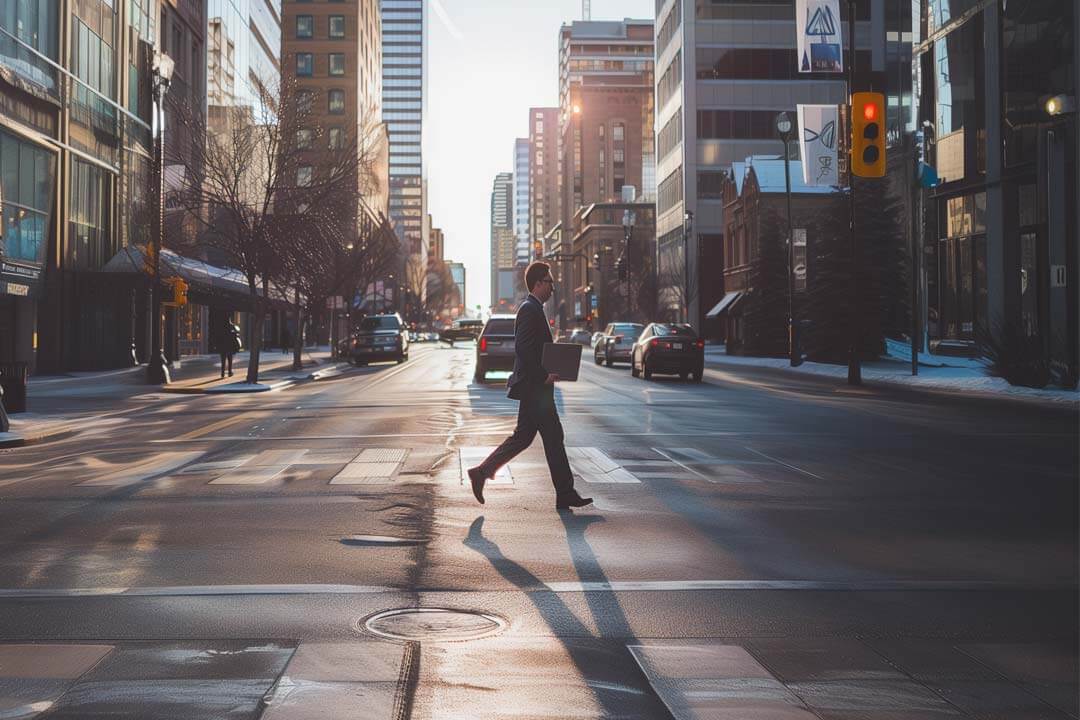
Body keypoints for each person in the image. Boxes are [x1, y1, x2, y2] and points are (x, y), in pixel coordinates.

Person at [467, 261, 592, 511]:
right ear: (538, 283)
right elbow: (523, 348)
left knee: (525, 437)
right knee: (551, 437)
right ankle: (565, 493)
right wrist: (542, 375)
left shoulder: (534, 308)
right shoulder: (529, 309)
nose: (553, 287)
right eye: (549, 282)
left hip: (536, 388)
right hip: (535, 387)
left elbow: (535, 349)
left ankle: (482, 472)